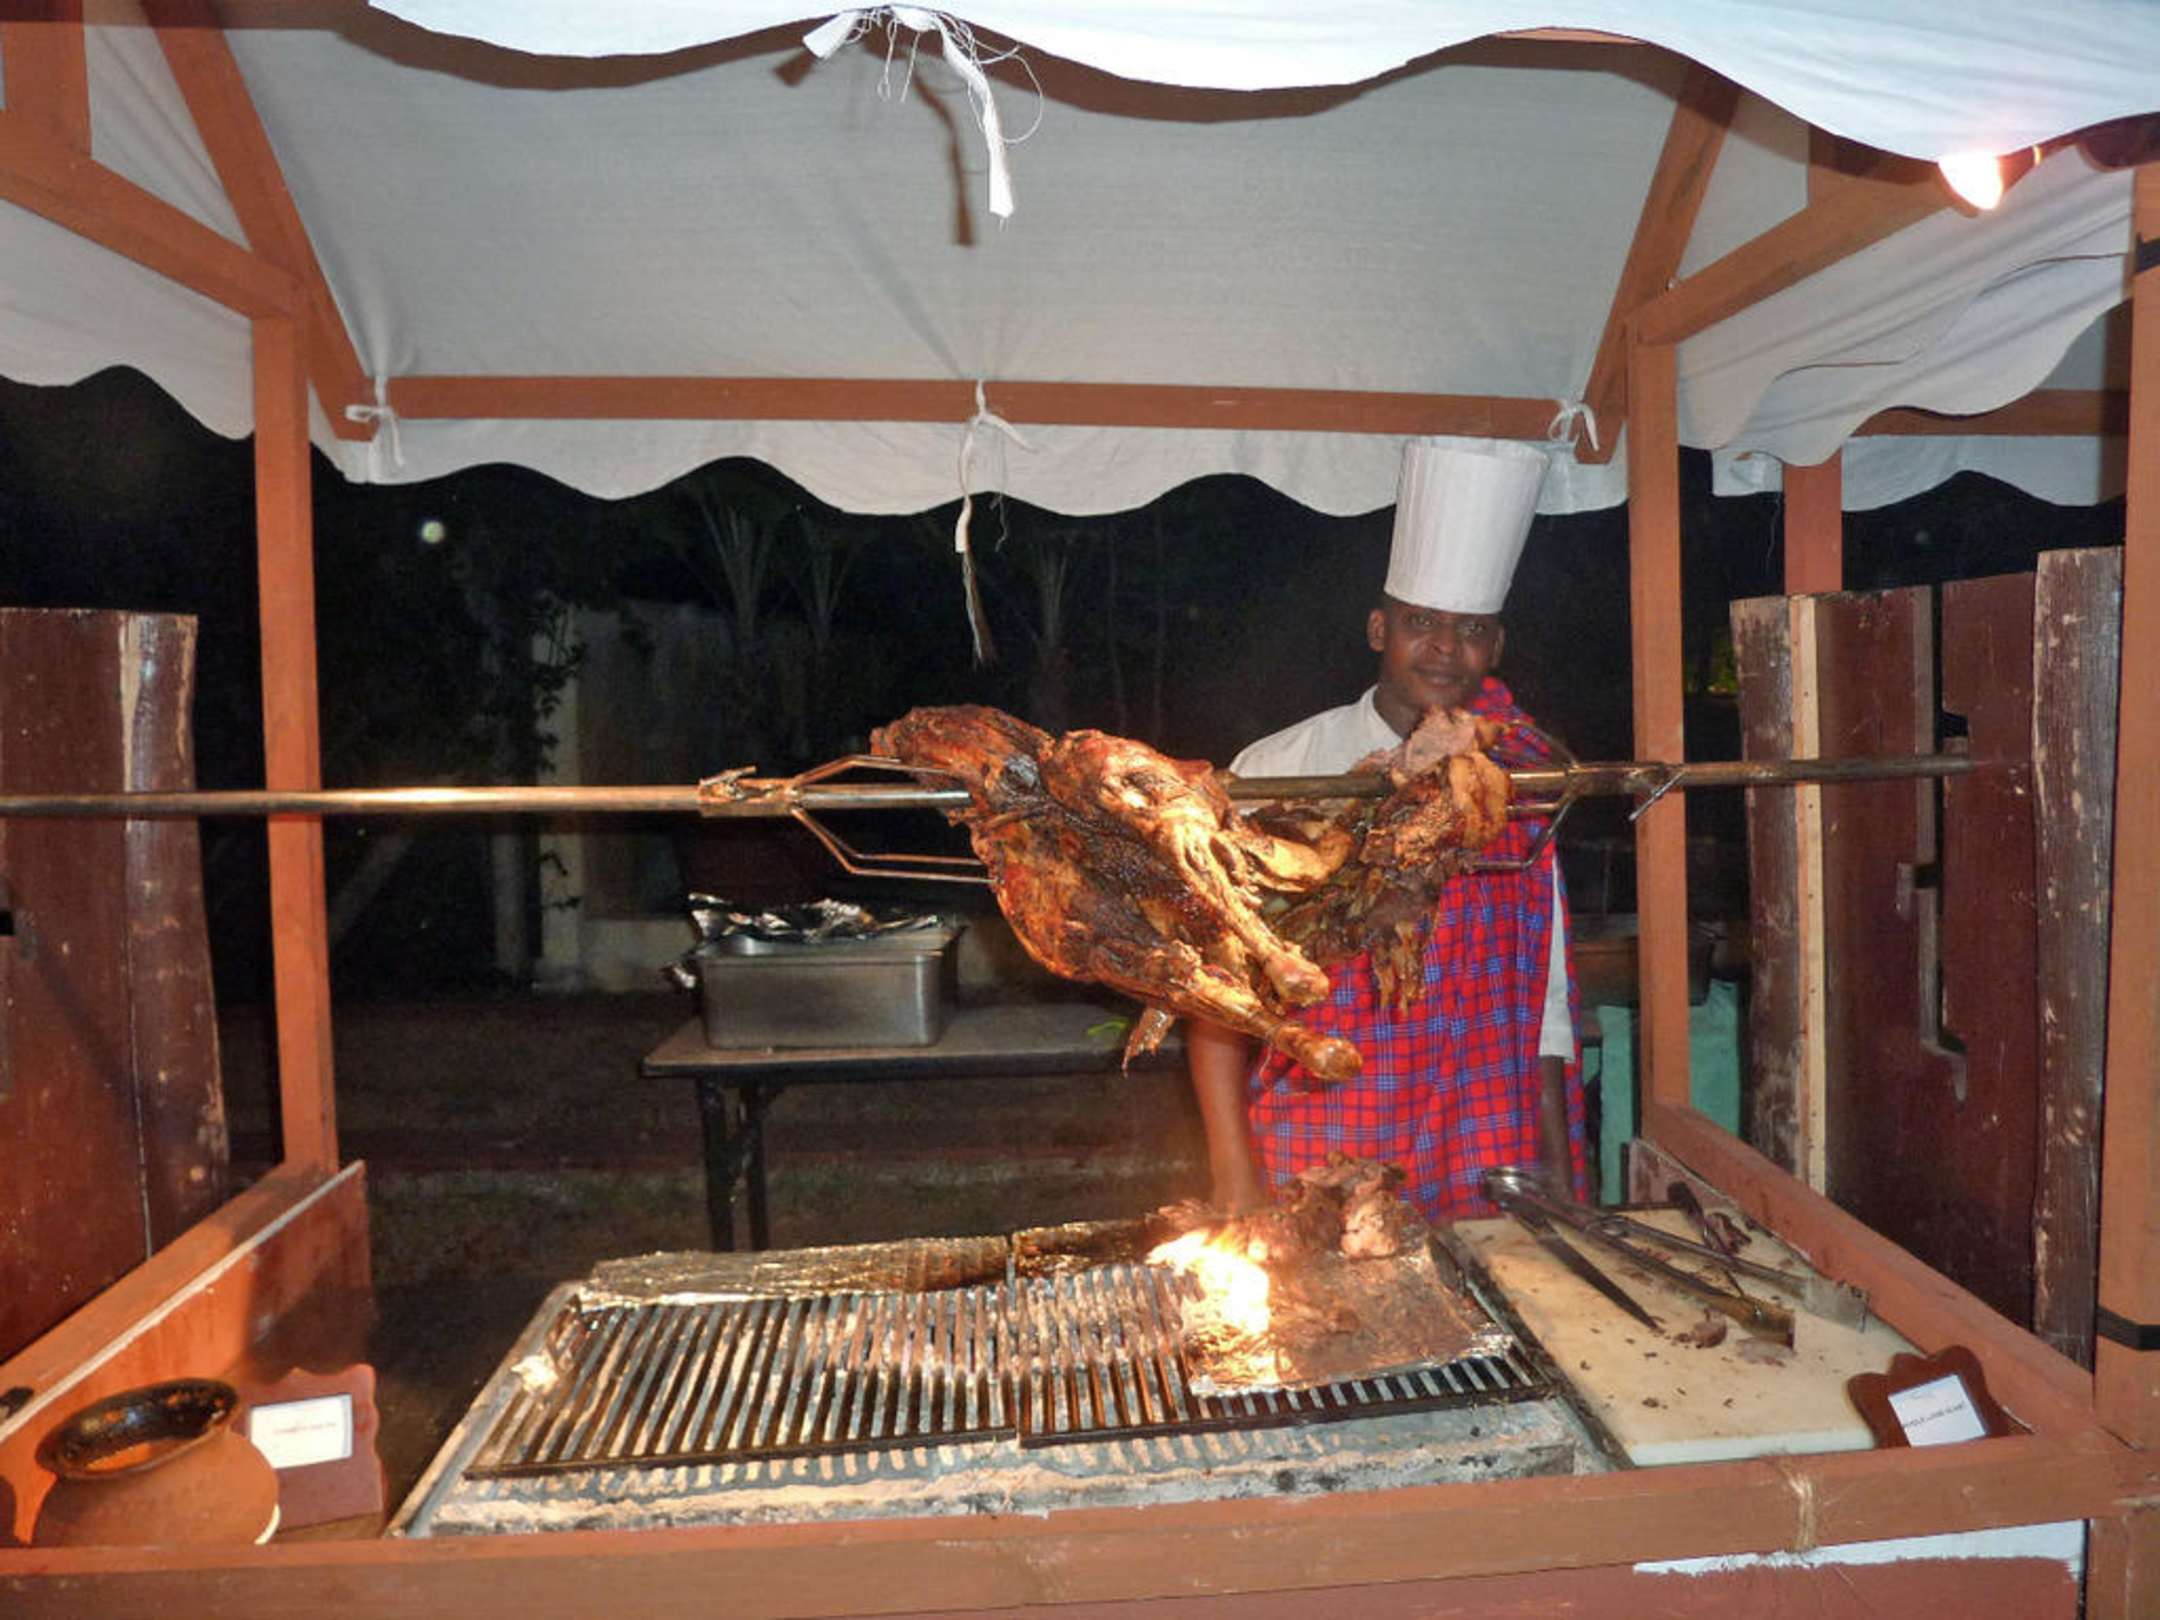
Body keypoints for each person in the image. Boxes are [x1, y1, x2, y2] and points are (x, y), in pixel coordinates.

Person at [1186, 435, 1587, 1222]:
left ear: (1496, 645)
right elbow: (1219, 995)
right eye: (1421, 621)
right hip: (1326, 1131)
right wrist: (1232, 1172)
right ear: (1380, 628)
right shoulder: (1281, 768)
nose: (1445, 647)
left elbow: (1543, 997)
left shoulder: (1522, 783)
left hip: (1483, 1133)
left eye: (1471, 628)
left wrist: (1558, 1176)